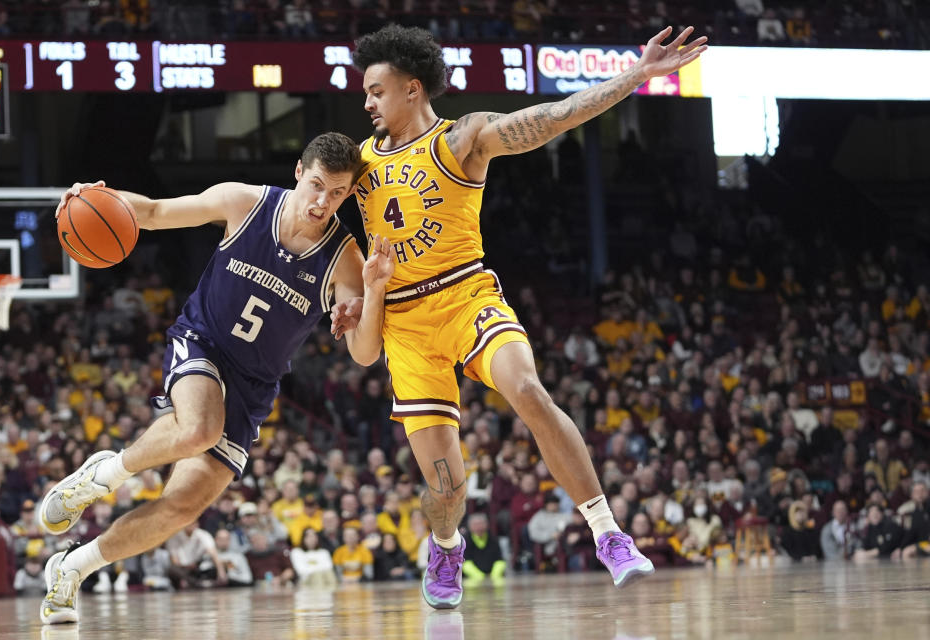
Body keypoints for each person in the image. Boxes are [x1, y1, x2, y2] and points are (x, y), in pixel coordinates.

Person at [334, 23, 706, 608]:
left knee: (527, 389)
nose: (367, 101)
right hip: (403, 321)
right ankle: (446, 543)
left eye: (376, 90)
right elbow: (311, 221)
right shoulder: (355, 163)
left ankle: (607, 532)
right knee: (446, 489)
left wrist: (636, 75)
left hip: (464, 295)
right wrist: (345, 298)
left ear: (412, 89)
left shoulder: (463, 139)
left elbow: (555, 116)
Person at [38, 133, 395, 624]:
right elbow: (157, 212)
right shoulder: (244, 203)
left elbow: (363, 353)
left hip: (254, 386)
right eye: (316, 185)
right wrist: (100, 199)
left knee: (182, 507)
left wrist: (373, 294)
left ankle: (72, 567)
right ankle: (102, 477)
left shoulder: (347, 259)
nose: (322, 201)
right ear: (298, 172)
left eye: (336, 193)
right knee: (198, 429)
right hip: (203, 340)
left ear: (349, 194)